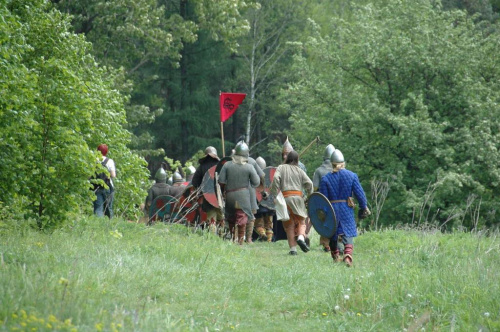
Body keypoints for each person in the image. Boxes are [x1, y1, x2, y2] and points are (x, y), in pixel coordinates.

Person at [319, 149, 370, 267]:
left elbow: (323, 200)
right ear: (343, 163)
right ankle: (347, 256)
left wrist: (323, 215)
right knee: (348, 231)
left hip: (332, 209)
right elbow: (360, 194)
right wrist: (364, 206)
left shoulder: (325, 179)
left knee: (332, 232)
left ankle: (336, 255)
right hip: (346, 208)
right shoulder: (351, 175)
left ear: (332, 164)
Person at [270, 150, 313, 255]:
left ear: (287, 158)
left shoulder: (281, 167)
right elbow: (310, 184)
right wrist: (309, 196)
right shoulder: (300, 170)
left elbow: (275, 178)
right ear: (297, 160)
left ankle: (293, 250)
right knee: (302, 222)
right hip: (298, 199)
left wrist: (275, 193)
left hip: (286, 199)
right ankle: (301, 238)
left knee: (289, 225)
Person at [218, 142, 260, 244]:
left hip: (230, 195)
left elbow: (221, 181)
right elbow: (256, 182)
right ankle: (241, 241)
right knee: (242, 217)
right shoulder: (249, 167)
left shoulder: (227, 165)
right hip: (243, 196)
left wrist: (224, 192)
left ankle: (233, 239)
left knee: (231, 217)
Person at [191, 146, 223, 229]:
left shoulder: (202, 166)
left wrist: (201, 190)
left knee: (211, 218)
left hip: (208, 196)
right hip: (220, 196)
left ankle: (212, 238)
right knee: (222, 217)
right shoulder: (220, 166)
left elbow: (195, 182)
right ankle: (222, 236)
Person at [313, 144, 335, 252]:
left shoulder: (319, 171)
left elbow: (315, 188)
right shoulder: (338, 170)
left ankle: (326, 244)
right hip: (336, 200)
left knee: (324, 221)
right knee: (336, 221)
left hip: (323, 201)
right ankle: (335, 243)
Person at [254, 156, 275, 242]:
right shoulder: (270, 177)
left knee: (259, 224)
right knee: (269, 225)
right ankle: (269, 240)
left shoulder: (255, 177)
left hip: (260, 207)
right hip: (269, 208)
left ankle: (262, 234)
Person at [93, 144, 116, 218]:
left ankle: (97, 225)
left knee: (98, 208)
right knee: (109, 208)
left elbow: (89, 175)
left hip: (96, 187)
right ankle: (109, 226)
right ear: (106, 152)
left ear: (97, 151)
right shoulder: (109, 161)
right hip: (108, 186)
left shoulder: (94, 160)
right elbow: (113, 175)